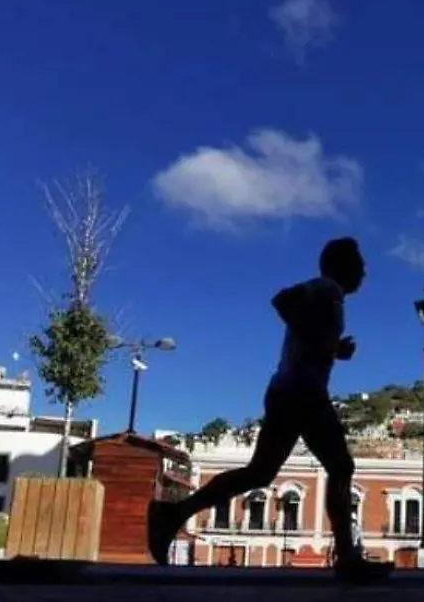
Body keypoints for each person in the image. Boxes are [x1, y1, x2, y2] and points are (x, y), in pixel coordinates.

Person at [145, 238, 392, 583]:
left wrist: (332, 348)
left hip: (289, 391)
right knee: (339, 466)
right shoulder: (326, 289)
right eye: (359, 264)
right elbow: (283, 300)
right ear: (342, 266)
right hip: (301, 392)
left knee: (260, 473)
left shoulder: (330, 295)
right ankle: (348, 559)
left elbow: (305, 331)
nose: (364, 271)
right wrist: (325, 343)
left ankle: (173, 514)